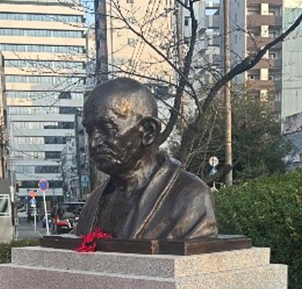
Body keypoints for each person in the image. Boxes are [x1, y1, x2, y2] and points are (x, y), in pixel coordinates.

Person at [74, 77, 217, 240]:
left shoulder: (190, 197)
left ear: (148, 132)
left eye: (107, 129)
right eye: (90, 131)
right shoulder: (94, 201)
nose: (93, 143)